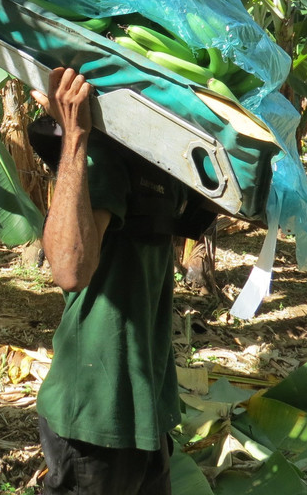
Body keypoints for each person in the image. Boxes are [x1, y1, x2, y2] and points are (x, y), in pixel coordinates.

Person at [29, 67, 215, 495]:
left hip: (147, 405)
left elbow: (210, 210)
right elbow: (69, 270)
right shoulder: (99, 159)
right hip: (97, 411)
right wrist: (77, 137)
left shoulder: (161, 158)